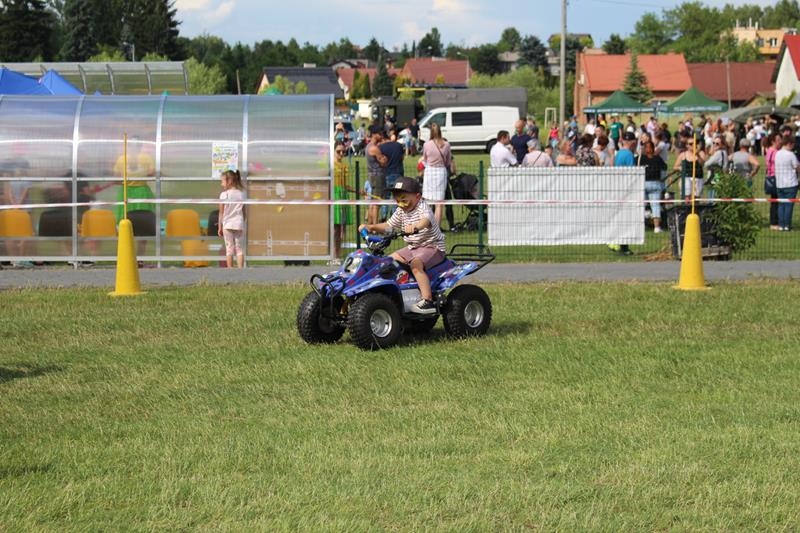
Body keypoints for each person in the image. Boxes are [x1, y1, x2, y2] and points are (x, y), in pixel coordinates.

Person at [358, 176, 445, 315]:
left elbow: (426, 221)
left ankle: (427, 300)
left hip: (431, 247)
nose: (401, 203)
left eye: (404, 200)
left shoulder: (423, 207)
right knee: (388, 262)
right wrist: (371, 227)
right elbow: (389, 226)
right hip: (412, 247)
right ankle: (394, 295)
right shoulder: (401, 210)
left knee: (415, 265)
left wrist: (415, 227)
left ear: (417, 197)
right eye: (397, 200)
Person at [421, 122, 452, 226]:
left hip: (430, 171)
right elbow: (448, 161)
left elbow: (425, 159)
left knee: (428, 201)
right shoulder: (446, 144)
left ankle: (427, 225)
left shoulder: (426, 144)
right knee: (439, 203)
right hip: (441, 172)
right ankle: (436, 227)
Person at [217, 169, 245, 268]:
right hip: (238, 224)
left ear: (229, 181)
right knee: (239, 249)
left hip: (227, 224)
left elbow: (221, 212)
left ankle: (230, 270)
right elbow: (244, 211)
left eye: (222, 181)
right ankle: (241, 270)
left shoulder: (223, 195)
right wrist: (242, 222)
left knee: (229, 248)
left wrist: (219, 227)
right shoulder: (241, 194)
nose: (221, 184)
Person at [638, 140, 668, 232]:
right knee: (655, 206)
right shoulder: (658, 158)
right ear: (653, 149)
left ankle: (641, 226)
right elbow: (664, 168)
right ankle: (657, 227)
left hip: (642, 184)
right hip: (655, 184)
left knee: (641, 206)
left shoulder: (640, 159)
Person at [332, 145, 354, 263]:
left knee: (343, 227)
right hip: (334, 196)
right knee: (335, 227)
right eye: (338, 151)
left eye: (343, 152)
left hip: (343, 196)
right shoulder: (331, 165)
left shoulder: (344, 165)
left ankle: (339, 254)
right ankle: (334, 255)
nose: (341, 153)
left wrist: (357, 190)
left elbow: (345, 185)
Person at [775, 136, 799, 231]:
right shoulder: (791, 154)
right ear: (789, 144)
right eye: (793, 145)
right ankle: (787, 225)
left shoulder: (777, 153)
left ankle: (781, 225)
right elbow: (796, 167)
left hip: (779, 183)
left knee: (781, 205)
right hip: (790, 183)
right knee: (789, 205)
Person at [365, 126, 387, 224]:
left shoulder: (368, 146)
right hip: (377, 176)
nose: (381, 136)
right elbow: (383, 162)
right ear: (374, 134)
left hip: (372, 176)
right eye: (380, 134)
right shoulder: (374, 148)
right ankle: (375, 225)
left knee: (373, 202)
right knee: (377, 202)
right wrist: (385, 159)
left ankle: (370, 224)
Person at [764, 133, 781, 230]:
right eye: (778, 140)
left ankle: (775, 221)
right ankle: (774, 222)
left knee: (775, 200)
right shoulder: (773, 151)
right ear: (773, 141)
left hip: (774, 177)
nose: (780, 141)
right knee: (775, 201)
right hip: (774, 178)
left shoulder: (771, 150)